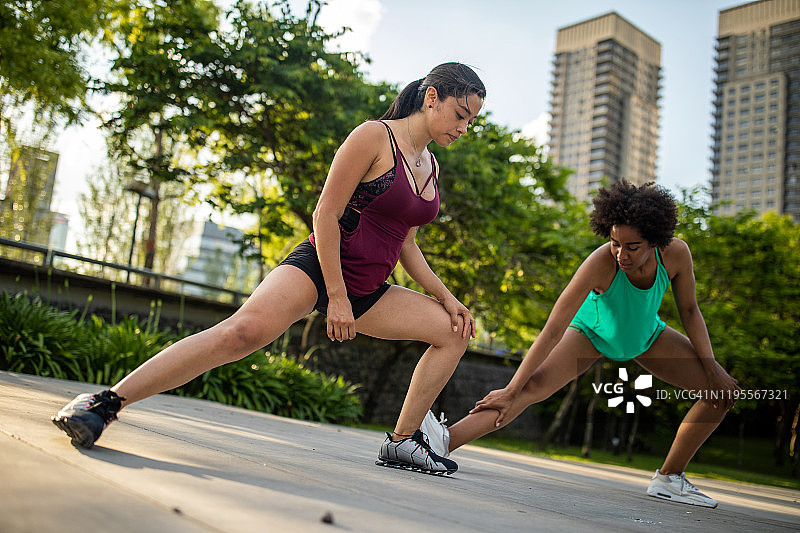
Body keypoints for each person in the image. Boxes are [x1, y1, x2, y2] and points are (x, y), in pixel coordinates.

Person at [52, 62, 485, 475]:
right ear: (431, 97)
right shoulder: (373, 137)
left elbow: (406, 244)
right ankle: (104, 404)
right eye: (460, 114)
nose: (464, 128)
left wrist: (447, 299)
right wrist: (335, 294)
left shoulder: (430, 165)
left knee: (453, 331)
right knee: (241, 333)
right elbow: (325, 215)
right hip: (319, 268)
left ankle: (404, 440)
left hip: (370, 287)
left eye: (471, 121)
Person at [420, 180, 741, 505]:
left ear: (656, 240)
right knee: (530, 389)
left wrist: (712, 368)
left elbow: (689, 310)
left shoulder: (676, 254)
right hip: (591, 333)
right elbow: (553, 329)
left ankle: (669, 478)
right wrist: (512, 388)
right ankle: (441, 441)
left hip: (647, 336)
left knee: (719, 394)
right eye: (615, 242)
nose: (621, 254)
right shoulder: (601, 262)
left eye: (633, 246)